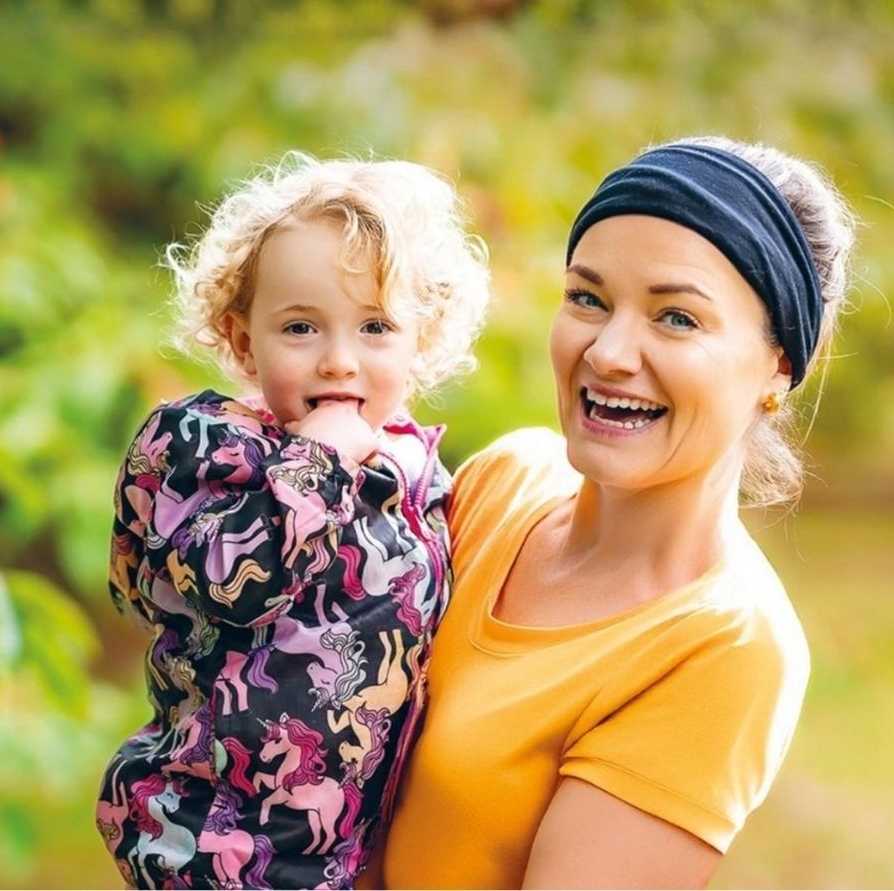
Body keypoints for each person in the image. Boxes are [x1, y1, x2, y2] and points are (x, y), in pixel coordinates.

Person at [375, 137, 857, 888]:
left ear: (779, 365)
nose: (609, 352)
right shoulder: (504, 479)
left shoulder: (725, 647)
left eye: (677, 319)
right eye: (587, 299)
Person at [96, 154, 491, 888]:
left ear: (421, 340)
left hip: (338, 859)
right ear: (244, 341)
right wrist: (314, 462)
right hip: (209, 841)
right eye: (302, 328)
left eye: (375, 327)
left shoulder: (414, 476)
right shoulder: (208, 450)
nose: (339, 361)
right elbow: (230, 586)